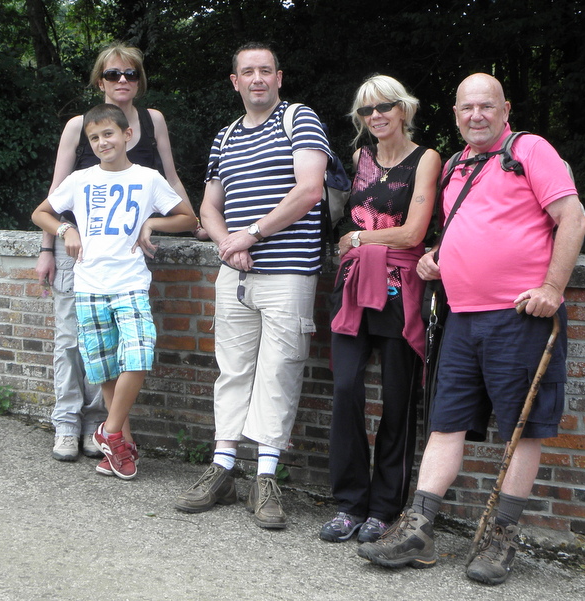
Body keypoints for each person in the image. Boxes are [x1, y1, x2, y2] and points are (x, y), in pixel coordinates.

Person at [356, 73, 585, 585]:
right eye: (467, 108)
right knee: (446, 421)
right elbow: (465, 226)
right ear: (456, 113)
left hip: (521, 316)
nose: (476, 115)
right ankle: (418, 529)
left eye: (486, 106)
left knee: (520, 429)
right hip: (461, 316)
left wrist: (552, 288)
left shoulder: (531, 150)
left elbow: (573, 219)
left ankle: (500, 537)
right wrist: (439, 257)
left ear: (505, 109)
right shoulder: (459, 164)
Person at [173, 42, 330, 529]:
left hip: (287, 271)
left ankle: (264, 478)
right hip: (235, 273)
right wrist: (228, 244)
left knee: (279, 372)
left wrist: (252, 234)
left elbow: (308, 189)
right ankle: (221, 469)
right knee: (233, 370)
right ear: (235, 81)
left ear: (279, 78)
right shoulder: (224, 136)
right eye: (248, 72)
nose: (257, 78)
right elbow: (209, 208)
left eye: (266, 70)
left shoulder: (299, 119)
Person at [35, 43, 206, 464]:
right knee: (74, 341)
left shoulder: (152, 122)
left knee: (119, 349)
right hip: (80, 243)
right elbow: (56, 195)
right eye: (113, 75)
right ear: (100, 81)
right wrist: (50, 243)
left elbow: (169, 177)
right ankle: (68, 424)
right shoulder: (79, 126)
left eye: (130, 74)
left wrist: (191, 222)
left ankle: (106, 432)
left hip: (127, 250)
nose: (123, 81)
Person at [319, 76, 440, 544]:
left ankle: (386, 507)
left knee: (397, 397)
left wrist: (361, 238)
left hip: (400, 289)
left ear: (404, 108)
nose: (377, 116)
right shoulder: (360, 158)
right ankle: (351, 503)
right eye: (367, 110)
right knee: (346, 387)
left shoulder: (426, 159)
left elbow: (413, 233)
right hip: (353, 287)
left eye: (385, 106)